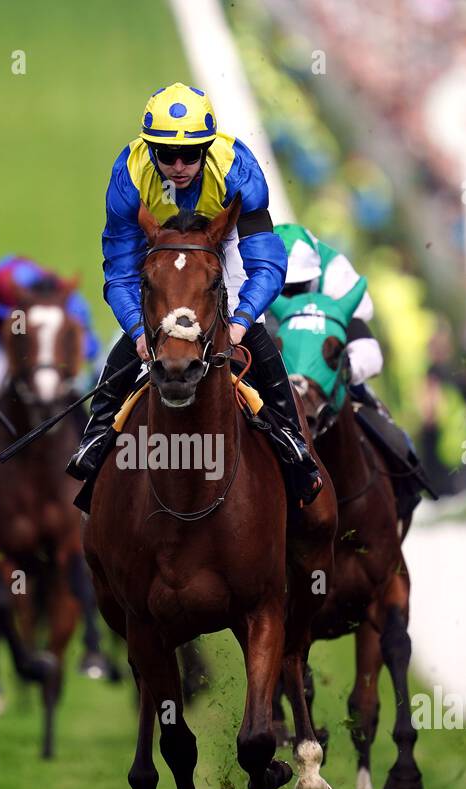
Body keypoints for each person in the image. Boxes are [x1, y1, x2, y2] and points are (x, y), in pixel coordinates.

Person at [65, 82, 323, 508]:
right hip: (163, 250)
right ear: (150, 150)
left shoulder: (238, 169)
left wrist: (241, 321)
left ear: (208, 148)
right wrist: (137, 331)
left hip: (225, 245)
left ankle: (293, 443)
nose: (179, 165)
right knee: (135, 335)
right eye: (167, 155)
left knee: (252, 328)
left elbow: (266, 262)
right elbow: (120, 271)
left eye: (191, 154)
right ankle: (96, 439)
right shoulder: (128, 176)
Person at [273, 223, 434, 519]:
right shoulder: (246, 273)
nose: (291, 295)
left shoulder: (337, 276)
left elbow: (370, 355)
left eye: (299, 286)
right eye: (285, 288)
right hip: (271, 373)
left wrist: (335, 371)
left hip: (328, 381)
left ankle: (405, 482)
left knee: (383, 426)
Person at [0, 255, 99, 463]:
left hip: (38, 340)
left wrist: (84, 353)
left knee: (68, 386)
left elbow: (84, 334)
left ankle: (90, 448)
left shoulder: (55, 294)